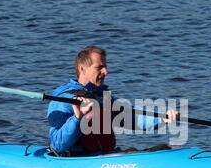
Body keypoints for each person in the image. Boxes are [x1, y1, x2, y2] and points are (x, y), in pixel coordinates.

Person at [47, 46, 179, 156]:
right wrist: (77, 118)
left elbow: (132, 118)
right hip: (80, 160)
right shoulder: (64, 99)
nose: (106, 72)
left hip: (106, 156)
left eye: (105, 67)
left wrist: (162, 118)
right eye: (99, 67)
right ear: (82, 69)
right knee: (129, 155)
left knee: (164, 148)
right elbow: (58, 144)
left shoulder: (102, 97)